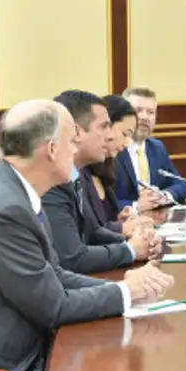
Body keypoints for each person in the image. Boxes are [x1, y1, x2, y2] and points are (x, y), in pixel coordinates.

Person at [0, 99, 174, 371]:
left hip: (12, 352)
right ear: (53, 150)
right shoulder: (3, 209)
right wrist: (126, 292)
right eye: (72, 141)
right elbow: (54, 307)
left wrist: (124, 287)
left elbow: (54, 274)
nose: (76, 149)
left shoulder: (14, 191)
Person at [42, 90, 159, 274]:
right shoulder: (51, 181)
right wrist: (130, 250)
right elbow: (71, 258)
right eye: (104, 127)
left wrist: (140, 242)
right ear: (76, 132)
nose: (109, 136)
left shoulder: (75, 175)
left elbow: (93, 232)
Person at [84, 94, 153, 237]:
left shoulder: (106, 167)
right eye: (125, 134)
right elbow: (88, 233)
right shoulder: (77, 174)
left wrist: (119, 221)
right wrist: (122, 229)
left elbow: (102, 223)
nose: (127, 143)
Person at [114, 86, 186, 210]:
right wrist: (136, 206)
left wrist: (164, 196)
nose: (145, 117)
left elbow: (180, 185)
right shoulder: (113, 149)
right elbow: (100, 204)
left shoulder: (157, 147)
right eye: (138, 110)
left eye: (151, 112)